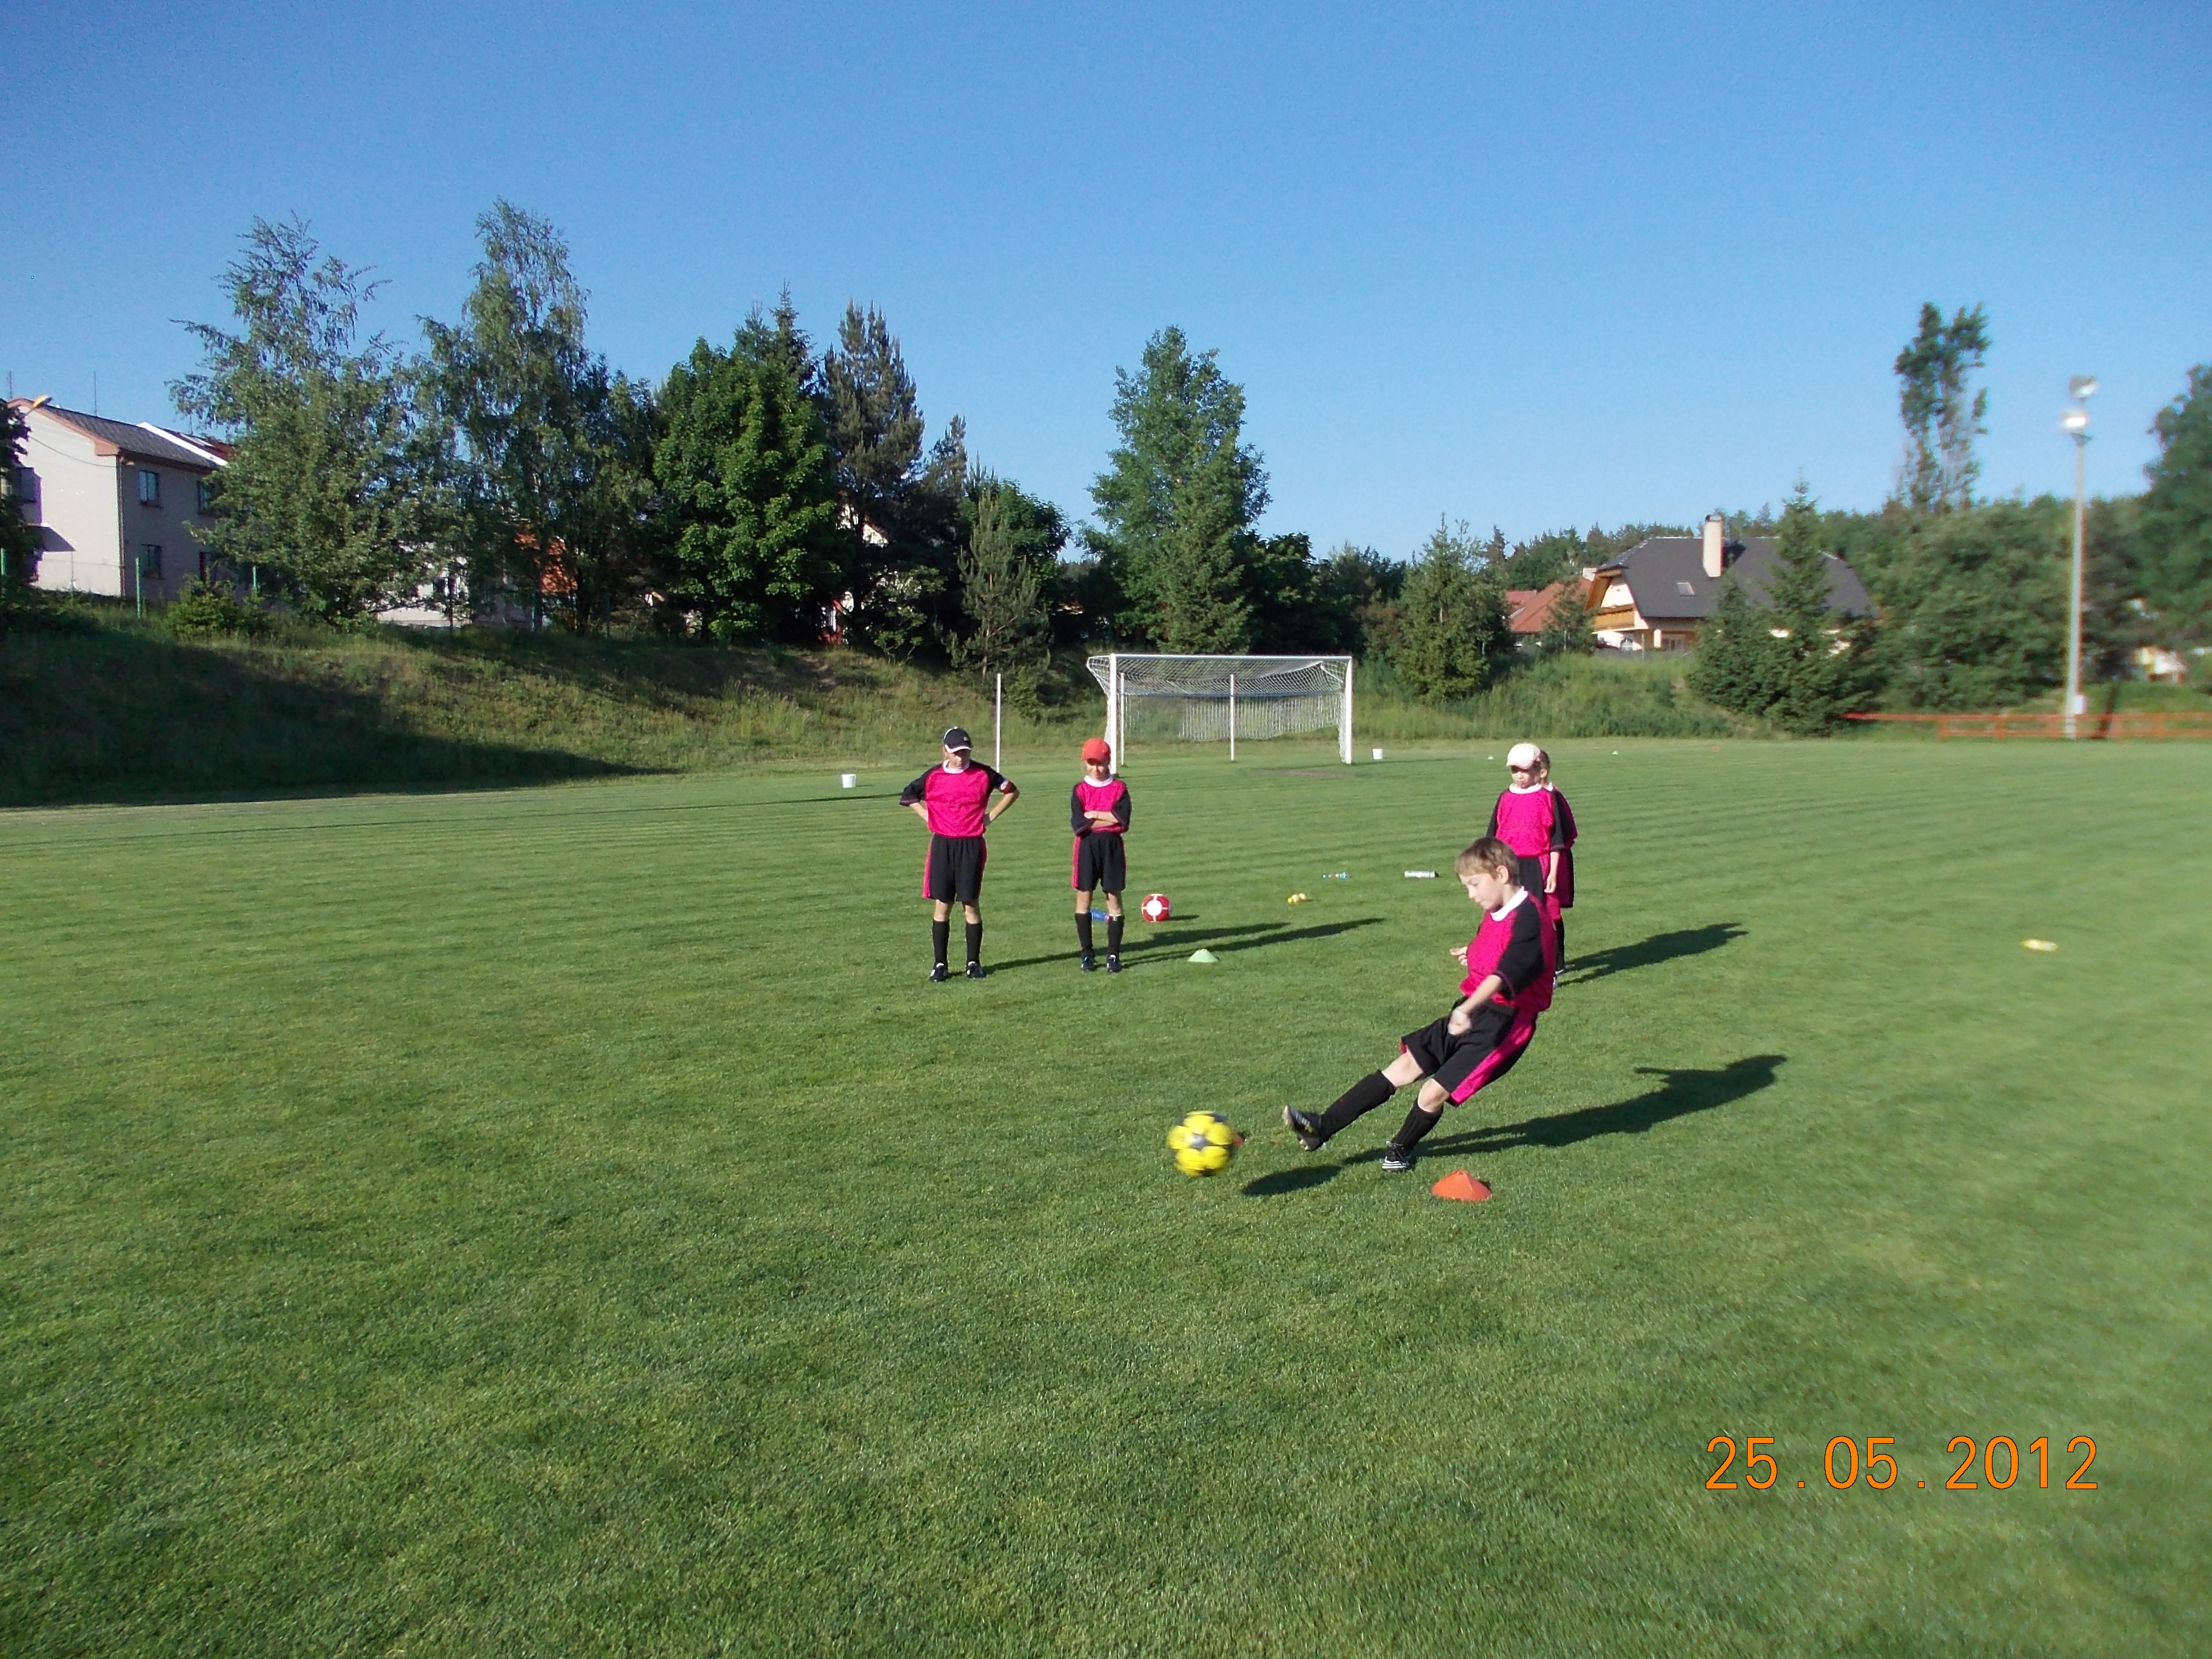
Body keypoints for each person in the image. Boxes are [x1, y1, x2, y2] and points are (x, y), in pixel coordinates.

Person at [1284, 836, 1556, 1173]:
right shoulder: (1497, 909)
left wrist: (1465, 1010)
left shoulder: (1530, 917)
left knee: (1432, 1093)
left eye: (1474, 885)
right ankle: (1321, 1127)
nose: (1471, 895)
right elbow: (1495, 948)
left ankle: (1399, 1151)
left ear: (1501, 874)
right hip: (1473, 1007)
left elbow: (1506, 973)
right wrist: (1472, 953)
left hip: (1504, 1025)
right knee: (1403, 1067)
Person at [900, 727, 1019, 980]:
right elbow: (909, 796)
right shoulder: (933, 776)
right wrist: (927, 816)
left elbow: (1011, 791)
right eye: (956, 753)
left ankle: (973, 962)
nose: (961, 757)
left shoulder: (983, 773)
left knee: (970, 903)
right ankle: (940, 964)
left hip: (971, 845)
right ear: (945, 751)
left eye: (965, 752)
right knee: (943, 904)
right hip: (943, 845)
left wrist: (991, 817)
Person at [1487, 740, 1577, 964]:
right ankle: (1506, 961)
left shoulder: (1549, 798)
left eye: (1524, 770)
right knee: (1505, 912)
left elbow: (1558, 841)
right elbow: (1493, 838)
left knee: (1544, 915)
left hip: (1538, 864)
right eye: (1514, 770)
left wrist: (1553, 872)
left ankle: (1553, 963)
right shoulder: (1505, 798)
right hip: (1509, 865)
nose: (1519, 775)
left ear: (1539, 770)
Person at [1070, 737, 1131, 972]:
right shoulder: (1079, 790)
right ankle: (1087, 954)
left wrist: (1094, 813)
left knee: (1113, 899)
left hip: (1112, 848)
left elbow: (1123, 821)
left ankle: (1113, 955)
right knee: (1084, 897)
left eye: (1102, 763)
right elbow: (1079, 824)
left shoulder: (1119, 788)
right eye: (1092, 763)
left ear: (1109, 762)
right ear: (1085, 763)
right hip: (1086, 848)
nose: (1097, 769)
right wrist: (1108, 817)